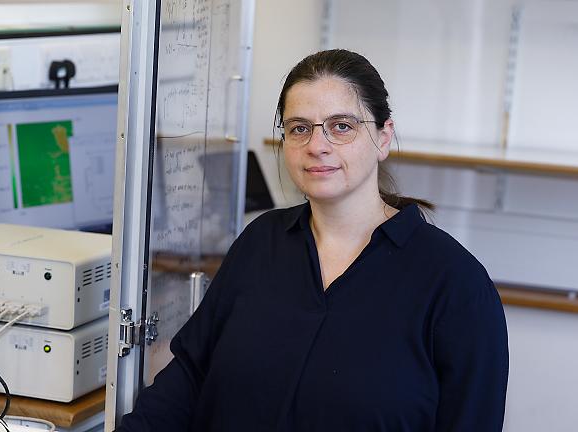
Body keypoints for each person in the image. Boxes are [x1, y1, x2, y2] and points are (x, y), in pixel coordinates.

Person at [115, 49, 509, 431]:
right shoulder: (260, 244)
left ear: (383, 137)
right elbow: (189, 377)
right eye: (299, 128)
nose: (317, 145)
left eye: (341, 126)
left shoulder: (454, 284)